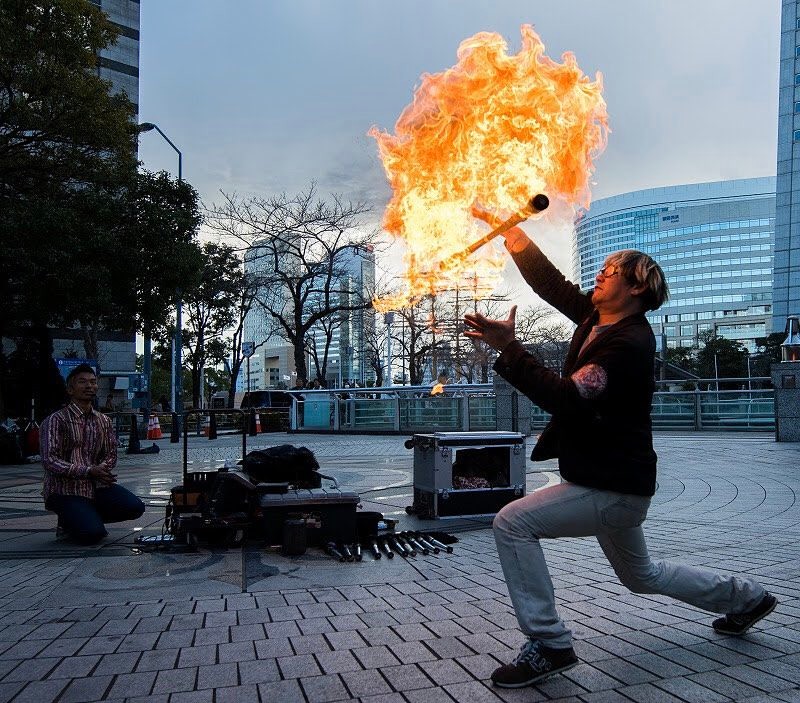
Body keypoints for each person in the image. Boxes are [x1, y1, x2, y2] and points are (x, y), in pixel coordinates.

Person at [463, 220, 776, 689]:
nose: (599, 275)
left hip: (610, 489)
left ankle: (549, 643)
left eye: (611, 271)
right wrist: (513, 233)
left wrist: (509, 348)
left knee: (512, 522)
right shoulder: (595, 320)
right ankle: (747, 598)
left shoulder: (628, 343)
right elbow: (552, 284)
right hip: (609, 480)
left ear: (635, 287)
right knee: (641, 575)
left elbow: (567, 398)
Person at [40, 364, 145, 544]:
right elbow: (50, 460)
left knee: (135, 507)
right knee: (92, 534)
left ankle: (83, 515)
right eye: (82, 382)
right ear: (70, 390)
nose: (89, 386)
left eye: (93, 382)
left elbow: (111, 453)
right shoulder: (56, 420)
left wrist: (102, 470)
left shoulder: (103, 420)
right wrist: (88, 471)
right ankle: (69, 520)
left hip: (96, 486)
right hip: (65, 490)